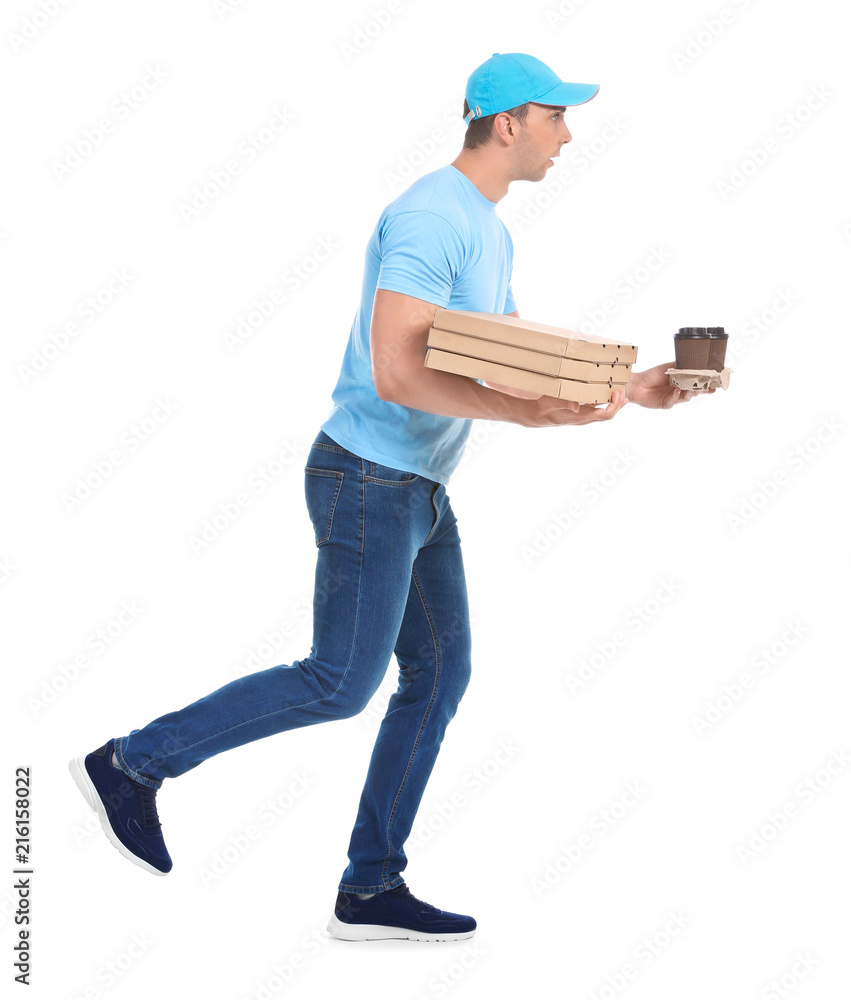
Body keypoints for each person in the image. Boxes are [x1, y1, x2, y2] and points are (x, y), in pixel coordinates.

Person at [69, 52, 707, 943]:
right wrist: (529, 417)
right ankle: (134, 762)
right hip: (366, 477)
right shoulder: (427, 216)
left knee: (440, 675)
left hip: (419, 487)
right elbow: (397, 371)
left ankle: (369, 888)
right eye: (555, 116)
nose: (569, 134)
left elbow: (506, 340)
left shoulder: (485, 228)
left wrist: (628, 385)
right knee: (338, 682)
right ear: (505, 123)